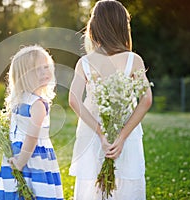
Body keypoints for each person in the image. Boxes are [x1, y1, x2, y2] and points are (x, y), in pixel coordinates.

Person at [68, 0, 152, 199]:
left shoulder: (85, 62)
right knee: (127, 181)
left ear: (94, 28)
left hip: (92, 133)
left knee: (93, 184)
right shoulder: (134, 60)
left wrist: (101, 134)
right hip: (127, 133)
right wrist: (121, 137)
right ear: (123, 27)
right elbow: (146, 99)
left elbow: (73, 99)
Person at [0, 45, 64, 200]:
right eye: (36, 70)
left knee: (22, 191)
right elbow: (30, 136)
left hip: (23, 153)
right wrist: (20, 162)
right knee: (32, 191)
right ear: (22, 76)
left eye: (46, 67)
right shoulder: (32, 103)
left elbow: (25, 133)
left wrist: (19, 159)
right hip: (29, 155)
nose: (44, 72)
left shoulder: (27, 102)